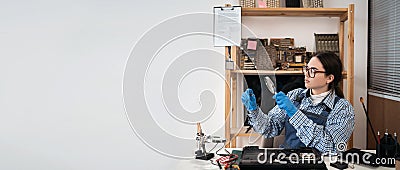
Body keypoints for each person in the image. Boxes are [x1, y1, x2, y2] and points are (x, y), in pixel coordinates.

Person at [241, 52, 354, 154]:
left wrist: (294, 114)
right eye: (306, 69)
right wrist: (254, 110)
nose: (306, 74)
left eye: (313, 71)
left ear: (329, 78)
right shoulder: (295, 95)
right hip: (288, 161)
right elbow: (269, 129)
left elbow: (331, 148)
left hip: (320, 165)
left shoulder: (342, 108)